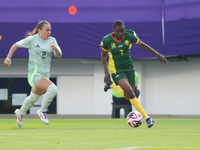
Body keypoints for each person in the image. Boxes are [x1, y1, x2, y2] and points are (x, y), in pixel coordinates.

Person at [100, 20, 167, 128]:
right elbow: (103, 55)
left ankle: (111, 85)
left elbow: (142, 45)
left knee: (129, 96)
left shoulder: (129, 35)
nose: (120, 34)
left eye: (122, 31)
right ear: (113, 31)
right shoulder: (107, 40)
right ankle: (148, 118)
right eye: (117, 32)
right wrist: (106, 73)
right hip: (117, 69)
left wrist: (157, 54)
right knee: (131, 94)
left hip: (129, 67)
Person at [4, 20, 62, 127]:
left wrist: (56, 49)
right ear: (39, 30)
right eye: (47, 30)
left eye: (50, 30)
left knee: (32, 99)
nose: (49, 32)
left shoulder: (52, 40)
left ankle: (20, 113)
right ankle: (42, 111)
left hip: (45, 75)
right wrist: (8, 58)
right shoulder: (32, 40)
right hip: (34, 75)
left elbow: (59, 55)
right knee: (53, 89)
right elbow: (15, 45)